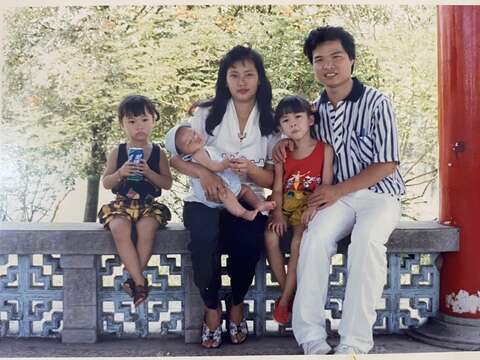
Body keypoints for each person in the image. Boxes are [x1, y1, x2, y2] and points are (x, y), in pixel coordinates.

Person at [274, 26, 405, 355]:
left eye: (336, 57)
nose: (328, 65)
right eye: (319, 60)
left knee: (366, 241)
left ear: (352, 61)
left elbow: (387, 164)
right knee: (314, 238)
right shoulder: (313, 111)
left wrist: (337, 190)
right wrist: (285, 143)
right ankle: (311, 339)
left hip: (380, 195)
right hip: (338, 199)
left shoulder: (377, 103)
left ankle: (354, 343)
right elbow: (300, 141)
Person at [170, 45, 279, 348]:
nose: (242, 82)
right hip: (205, 197)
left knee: (247, 241)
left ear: (260, 79)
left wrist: (252, 172)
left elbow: (272, 178)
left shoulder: (271, 121)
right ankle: (210, 307)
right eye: (234, 75)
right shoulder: (207, 114)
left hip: (247, 196)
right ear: (225, 79)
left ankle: (237, 304)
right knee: (204, 238)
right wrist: (205, 173)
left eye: (249, 75)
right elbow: (176, 159)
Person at [265, 95, 333, 326]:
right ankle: (291, 293)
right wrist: (277, 214)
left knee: (297, 241)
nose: (292, 123)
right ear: (280, 127)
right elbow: (276, 188)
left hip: (309, 207)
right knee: (270, 236)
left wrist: (313, 207)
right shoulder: (282, 154)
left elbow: (326, 185)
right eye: (285, 120)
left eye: (298, 117)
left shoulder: (324, 150)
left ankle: (284, 302)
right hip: (285, 205)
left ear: (311, 120)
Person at [98, 95, 172, 306]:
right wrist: (121, 172)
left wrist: (148, 172)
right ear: (122, 125)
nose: (138, 126)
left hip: (148, 205)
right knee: (119, 227)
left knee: (147, 228)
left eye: (144, 120)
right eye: (131, 122)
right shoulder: (118, 152)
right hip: (122, 204)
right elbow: (106, 183)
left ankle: (133, 280)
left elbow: (167, 183)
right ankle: (140, 282)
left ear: (154, 121)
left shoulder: (158, 153)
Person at [164, 123, 276, 221]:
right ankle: (243, 213)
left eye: (193, 133)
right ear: (184, 153)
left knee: (245, 189)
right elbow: (214, 167)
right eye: (189, 142)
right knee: (227, 195)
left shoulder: (204, 149)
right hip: (216, 190)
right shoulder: (198, 154)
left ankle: (259, 204)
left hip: (224, 184)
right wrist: (226, 163)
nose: (195, 138)